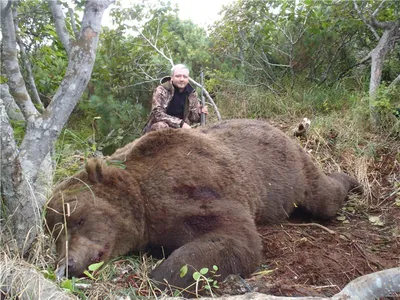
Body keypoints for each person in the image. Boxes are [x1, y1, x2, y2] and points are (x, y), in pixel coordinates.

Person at [142, 64, 208, 134]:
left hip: (181, 129)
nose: (181, 79)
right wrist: (180, 123)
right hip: (161, 128)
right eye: (178, 76)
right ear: (172, 78)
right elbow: (158, 114)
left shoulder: (191, 94)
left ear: (188, 79)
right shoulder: (162, 90)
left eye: (185, 77)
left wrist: (200, 113)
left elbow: (193, 118)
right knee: (161, 126)